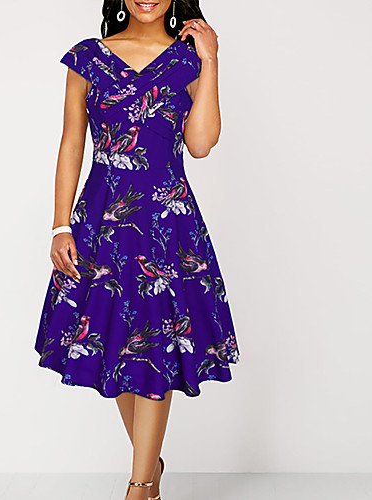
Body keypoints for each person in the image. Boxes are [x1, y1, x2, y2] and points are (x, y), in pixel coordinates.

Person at [34, 1, 240, 498]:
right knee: (115, 341)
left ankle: (141, 483)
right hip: (101, 219)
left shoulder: (188, 60)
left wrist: (211, 61)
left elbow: (201, 144)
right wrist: (60, 225)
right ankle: (150, 464)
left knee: (156, 343)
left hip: (166, 221)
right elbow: (71, 142)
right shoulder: (88, 57)